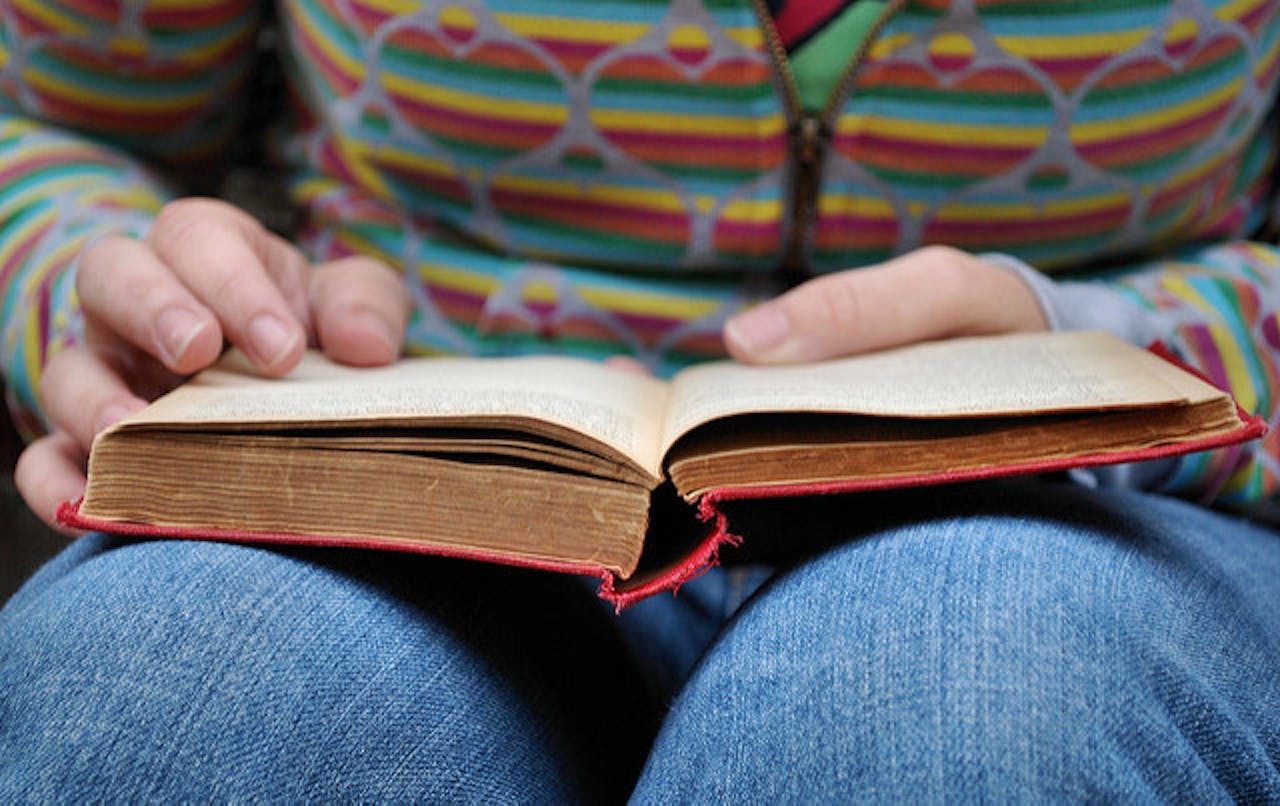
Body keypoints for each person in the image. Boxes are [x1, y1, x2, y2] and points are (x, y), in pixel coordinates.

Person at [1, 0, 1278, 799]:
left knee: (961, 683)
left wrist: (1109, 351)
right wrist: (117, 289)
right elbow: (47, 118)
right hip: (422, 477)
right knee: (187, 680)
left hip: (1105, 525)